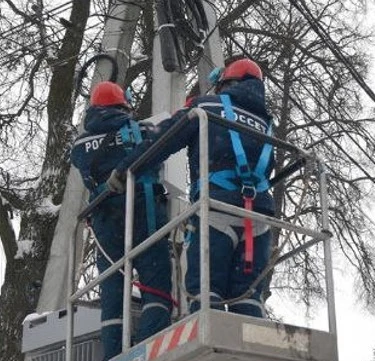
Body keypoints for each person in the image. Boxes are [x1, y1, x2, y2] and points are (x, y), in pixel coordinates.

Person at [112, 57, 276, 319]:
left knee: (205, 290)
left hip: (215, 213)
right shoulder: (268, 124)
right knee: (248, 298)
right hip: (258, 221)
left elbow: (162, 141)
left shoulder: (205, 107)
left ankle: (211, 347)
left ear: (225, 84)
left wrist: (125, 170)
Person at [70, 81, 172, 361]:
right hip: (144, 214)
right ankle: (146, 350)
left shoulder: (79, 146)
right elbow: (163, 145)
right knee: (157, 286)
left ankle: (113, 358)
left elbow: (87, 170)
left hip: (105, 222)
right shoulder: (141, 131)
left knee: (113, 294)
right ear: (122, 105)